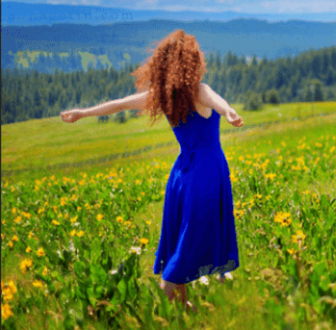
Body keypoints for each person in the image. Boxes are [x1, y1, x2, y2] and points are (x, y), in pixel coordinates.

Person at [60, 29, 243, 314]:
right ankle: (156, 309)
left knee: (183, 237)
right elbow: (220, 103)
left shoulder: (162, 96)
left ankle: (182, 305)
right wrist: (229, 113)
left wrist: (82, 112)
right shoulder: (199, 90)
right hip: (205, 176)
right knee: (187, 242)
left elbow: (118, 104)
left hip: (181, 176)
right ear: (193, 62)